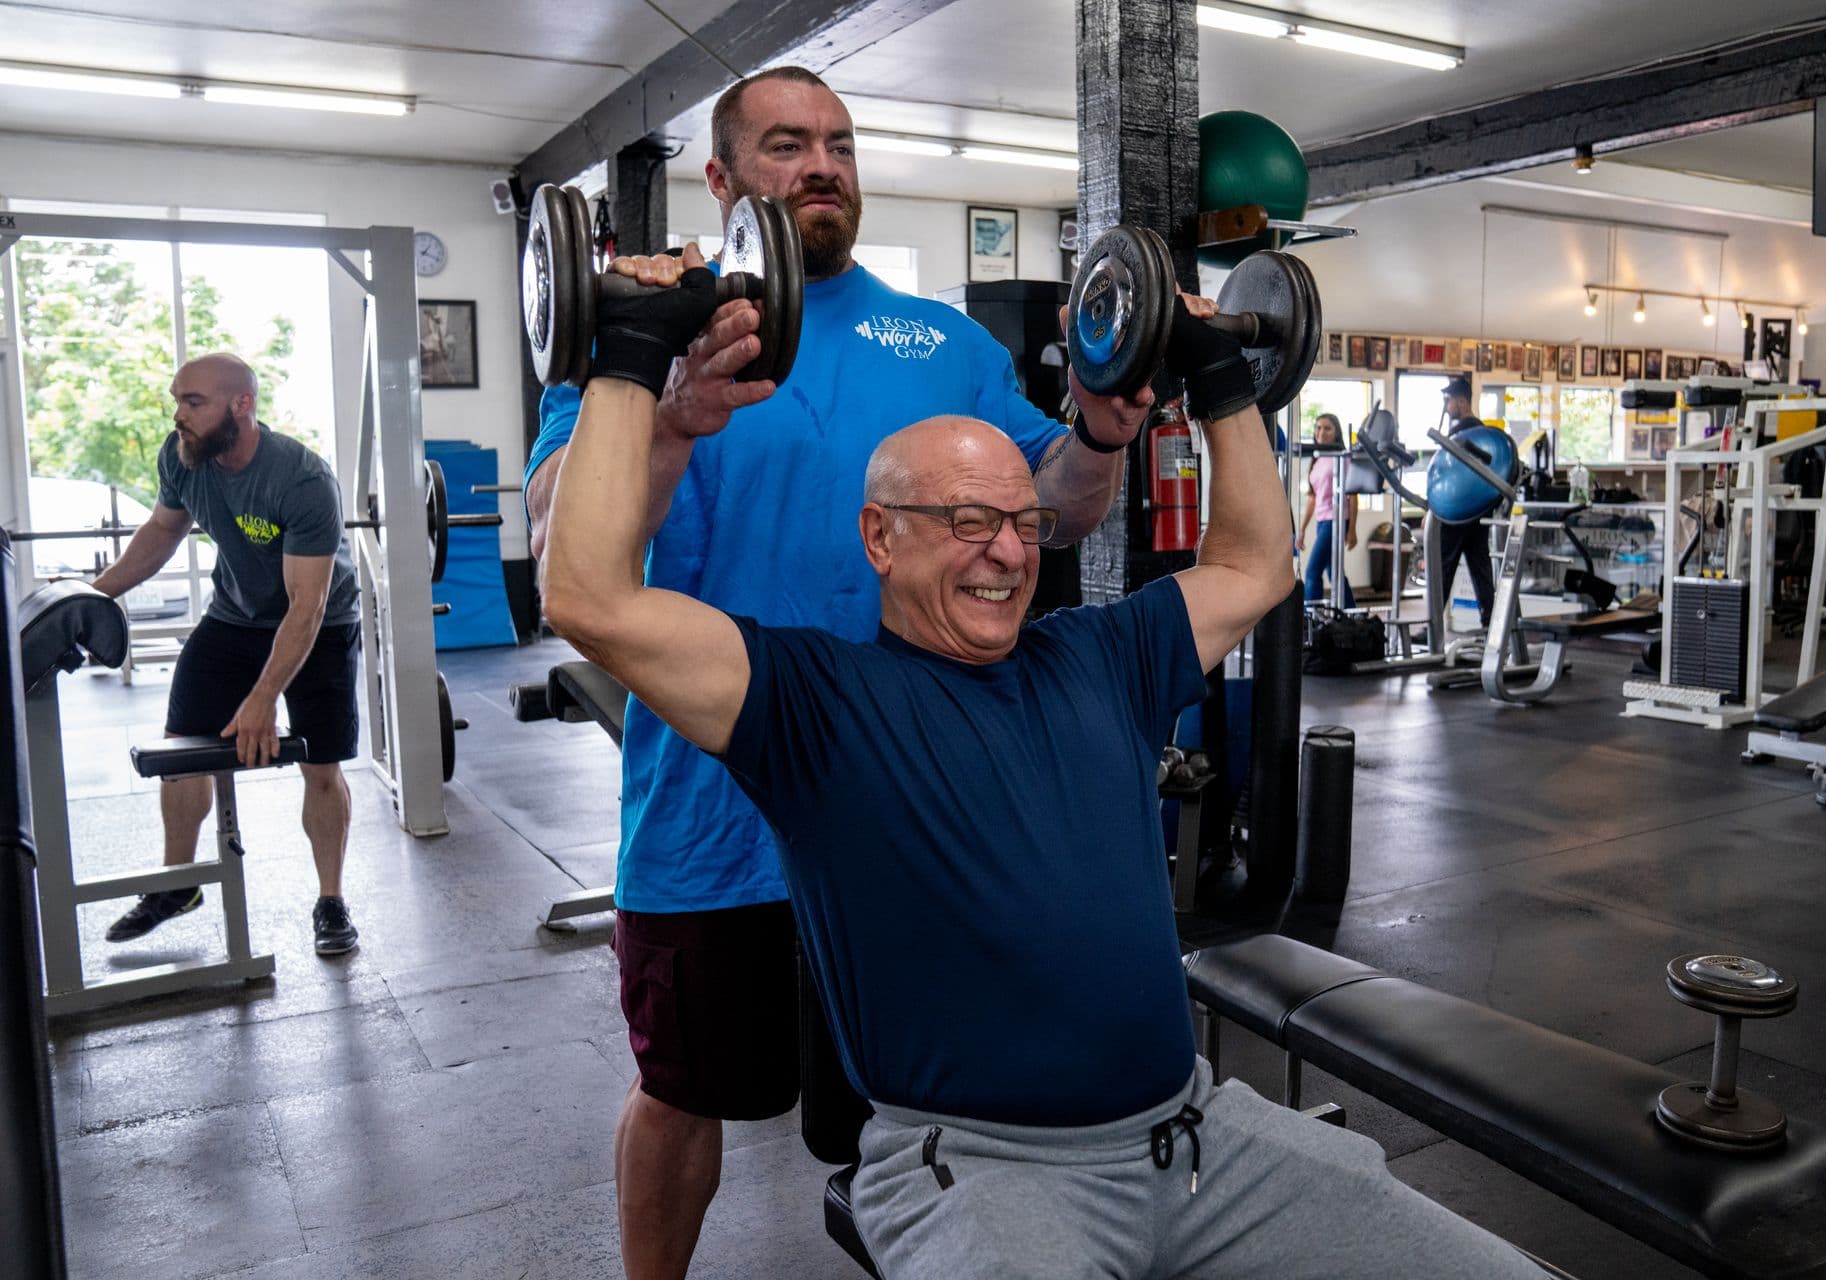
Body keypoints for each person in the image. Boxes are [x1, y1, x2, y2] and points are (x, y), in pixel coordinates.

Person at [539, 256, 1546, 1280]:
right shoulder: (809, 702)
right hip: (984, 1173)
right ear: (878, 537)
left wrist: (1218, 378)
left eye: (1022, 523)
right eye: (967, 521)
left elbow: (1256, 566)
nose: (1009, 552)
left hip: (1201, 1140)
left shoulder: (1099, 655)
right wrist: (632, 350)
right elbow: (589, 594)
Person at [521, 66, 1149, 1279]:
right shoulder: (642, 330)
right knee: (680, 1089)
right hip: (716, 813)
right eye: (787, 144)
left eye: (841, 145)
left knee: (936, 1111)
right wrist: (664, 417)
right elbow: (562, 549)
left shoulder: (945, 343)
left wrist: (1103, 434)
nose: (822, 165)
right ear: (721, 179)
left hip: (914, 809)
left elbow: (1057, 512)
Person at [87, 353, 362, 956]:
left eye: (193, 403)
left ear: (242, 405)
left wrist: (262, 698)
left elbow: (306, 606)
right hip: (233, 617)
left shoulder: (301, 478)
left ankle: (331, 899)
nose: (178, 415)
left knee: (320, 766)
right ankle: (178, 885)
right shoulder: (183, 457)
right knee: (181, 748)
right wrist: (90, 596)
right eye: (176, 400)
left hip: (320, 621)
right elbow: (163, 531)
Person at [1434, 376, 1497, 628]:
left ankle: (1433, 625)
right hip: (1476, 512)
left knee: (1444, 568)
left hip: (1459, 512)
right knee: (1480, 568)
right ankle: (1490, 621)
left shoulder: (1464, 432)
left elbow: (1453, 473)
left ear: (1461, 401)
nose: (1447, 407)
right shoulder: (1479, 430)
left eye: (1449, 401)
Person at [1299, 412, 1357, 607]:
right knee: (1335, 573)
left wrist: (1352, 529)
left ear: (1336, 433)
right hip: (1322, 520)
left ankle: (1310, 619)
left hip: (1337, 519)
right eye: (1318, 428)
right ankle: (1352, 615)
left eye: (1327, 428)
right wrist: (1302, 529)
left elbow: (1352, 495)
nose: (1321, 432)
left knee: (1312, 571)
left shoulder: (1341, 458)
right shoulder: (1317, 459)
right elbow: (1313, 498)